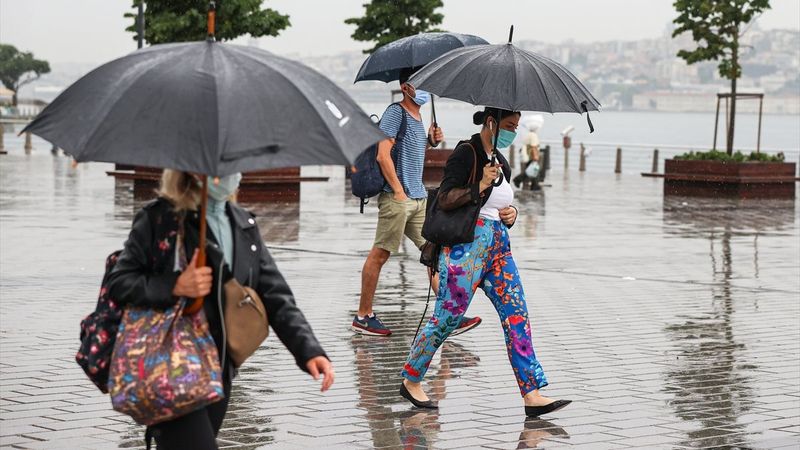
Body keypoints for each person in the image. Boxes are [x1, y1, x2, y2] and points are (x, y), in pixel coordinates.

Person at [108, 170, 334, 450]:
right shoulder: (160, 218)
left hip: (219, 368)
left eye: (235, 167)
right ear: (194, 171)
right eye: (224, 167)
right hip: (169, 366)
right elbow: (120, 282)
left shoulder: (242, 223)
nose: (233, 174)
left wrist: (309, 350)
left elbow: (275, 294)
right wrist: (175, 285)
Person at [399, 107, 571, 418]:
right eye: (509, 125)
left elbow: (501, 206)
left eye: (516, 126)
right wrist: (478, 185)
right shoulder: (466, 153)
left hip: (499, 248)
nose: (514, 131)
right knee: (447, 317)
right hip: (466, 248)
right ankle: (411, 378)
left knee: (517, 315)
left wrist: (512, 214)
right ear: (492, 123)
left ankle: (531, 393)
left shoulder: (500, 160)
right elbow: (445, 197)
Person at [353, 68, 481, 337]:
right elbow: (382, 155)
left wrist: (429, 142)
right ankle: (363, 316)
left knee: (434, 252)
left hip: (418, 198)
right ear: (405, 87)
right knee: (380, 254)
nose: (423, 88)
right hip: (397, 199)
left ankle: (449, 316)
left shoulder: (418, 116)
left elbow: (409, 153)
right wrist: (398, 191)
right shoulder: (395, 113)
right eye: (418, 82)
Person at [513, 121, 541, 190]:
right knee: (532, 171)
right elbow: (533, 147)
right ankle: (518, 180)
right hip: (531, 156)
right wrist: (535, 156)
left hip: (527, 156)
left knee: (531, 171)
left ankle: (534, 185)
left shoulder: (528, 134)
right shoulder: (533, 135)